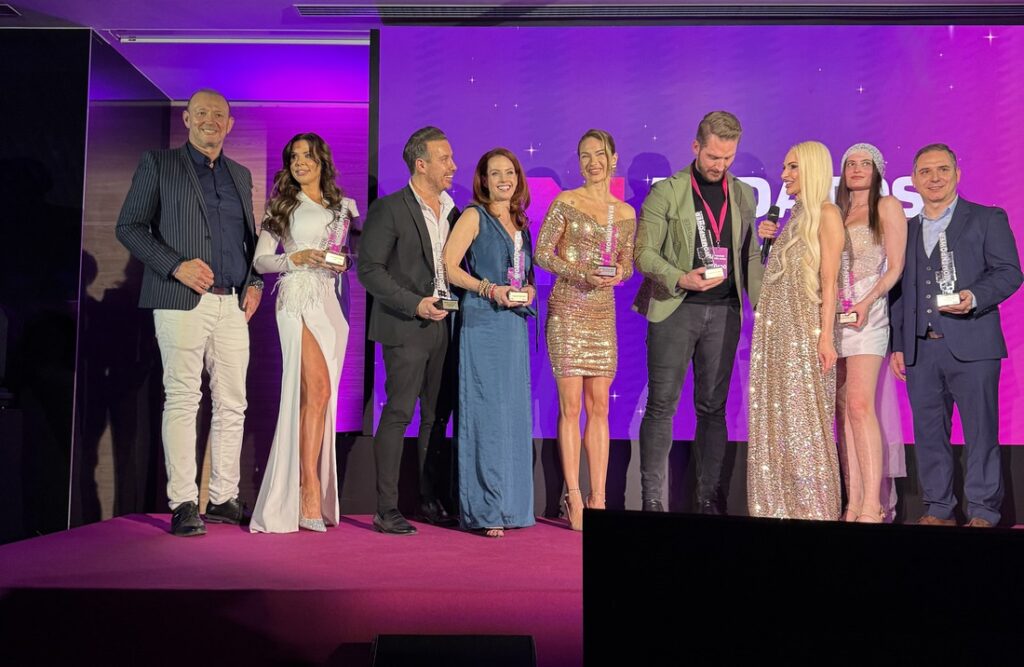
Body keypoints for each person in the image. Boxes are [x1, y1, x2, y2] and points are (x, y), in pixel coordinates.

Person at [115, 89, 263, 537]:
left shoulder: (240, 174)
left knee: (233, 402)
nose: (209, 120)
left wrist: (255, 282)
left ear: (230, 124)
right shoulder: (159, 164)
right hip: (180, 299)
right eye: (201, 113)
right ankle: (182, 502)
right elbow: (129, 226)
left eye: (218, 115)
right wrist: (175, 265)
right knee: (182, 398)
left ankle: (222, 498)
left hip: (232, 302)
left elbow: (247, 238)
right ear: (186, 119)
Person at [633, 111, 763, 514]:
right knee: (662, 405)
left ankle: (708, 500)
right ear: (695, 147)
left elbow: (749, 256)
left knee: (713, 408)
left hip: (724, 313)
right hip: (675, 309)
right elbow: (643, 254)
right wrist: (680, 277)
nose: (720, 165)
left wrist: (764, 311)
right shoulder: (667, 192)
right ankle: (653, 500)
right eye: (712, 157)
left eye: (728, 158)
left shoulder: (743, 194)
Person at [890, 143, 1022, 527]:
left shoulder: (986, 218)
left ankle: (983, 510)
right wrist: (898, 345)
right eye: (926, 172)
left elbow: (1010, 272)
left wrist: (974, 296)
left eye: (943, 170)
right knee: (928, 433)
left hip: (974, 345)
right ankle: (938, 508)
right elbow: (898, 293)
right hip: (921, 349)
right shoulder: (905, 229)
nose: (935, 178)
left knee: (981, 431)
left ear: (957, 174)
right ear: (913, 180)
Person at [358, 126, 459, 535]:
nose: (453, 166)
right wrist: (415, 303)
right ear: (421, 164)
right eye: (444, 158)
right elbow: (369, 270)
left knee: (436, 417)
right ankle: (386, 508)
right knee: (399, 412)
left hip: (444, 326)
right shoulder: (390, 208)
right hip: (406, 325)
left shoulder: (453, 210)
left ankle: (429, 500)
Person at [250, 133, 353, 533]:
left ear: (322, 161)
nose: (300, 162)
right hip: (297, 298)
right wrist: (296, 257)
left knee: (321, 398)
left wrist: (341, 262)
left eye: (307, 156)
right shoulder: (283, 205)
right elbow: (261, 261)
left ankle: (308, 486)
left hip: (331, 302)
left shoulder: (343, 208)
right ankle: (307, 486)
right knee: (317, 390)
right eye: (294, 157)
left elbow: (347, 257)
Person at [535, 129, 635, 531]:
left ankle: (599, 497)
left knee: (600, 407)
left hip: (602, 314)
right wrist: (580, 273)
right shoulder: (566, 201)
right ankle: (573, 495)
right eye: (585, 155)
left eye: (599, 154)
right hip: (567, 311)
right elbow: (542, 253)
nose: (593, 162)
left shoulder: (625, 212)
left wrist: (618, 273)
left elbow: (628, 263)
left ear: (613, 158)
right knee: (571, 407)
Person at [747, 141, 845, 520]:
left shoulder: (827, 214)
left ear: (812, 169)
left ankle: (814, 511)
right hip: (775, 336)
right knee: (778, 423)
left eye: (792, 167)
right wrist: (768, 242)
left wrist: (825, 337)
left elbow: (830, 282)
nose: (784, 175)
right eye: (785, 167)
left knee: (804, 424)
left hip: (804, 334)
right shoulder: (792, 217)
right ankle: (778, 508)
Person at [443, 148, 536, 537]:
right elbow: (448, 265)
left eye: (509, 172)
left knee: (512, 414)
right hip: (483, 322)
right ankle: (485, 509)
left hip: (513, 325)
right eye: (495, 173)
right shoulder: (473, 216)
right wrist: (487, 288)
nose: (503, 179)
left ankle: (511, 507)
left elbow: (524, 276)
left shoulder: (520, 221)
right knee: (486, 413)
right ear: (483, 180)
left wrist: (528, 292)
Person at [833, 143, 907, 523]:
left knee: (861, 405)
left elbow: (895, 267)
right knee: (845, 411)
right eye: (851, 163)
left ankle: (873, 505)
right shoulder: (836, 212)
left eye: (865, 163)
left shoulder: (887, 206)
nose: (857, 169)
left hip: (869, 315)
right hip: (836, 318)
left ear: (877, 170)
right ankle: (854, 501)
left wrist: (867, 300)